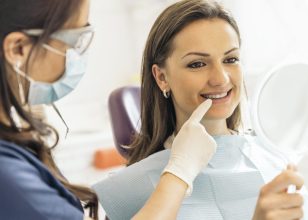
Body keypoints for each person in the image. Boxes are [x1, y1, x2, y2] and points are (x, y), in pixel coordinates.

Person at [93, 0, 308, 219]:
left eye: (230, 59)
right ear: (162, 77)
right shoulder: (134, 186)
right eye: (197, 64)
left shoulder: (275, 159)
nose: (220, 79)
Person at [0, 0, 215, 219]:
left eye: (232, 59)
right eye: (74, 42)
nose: (220, 79)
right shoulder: (7, 173)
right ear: (18, 48)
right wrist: (180, 171)